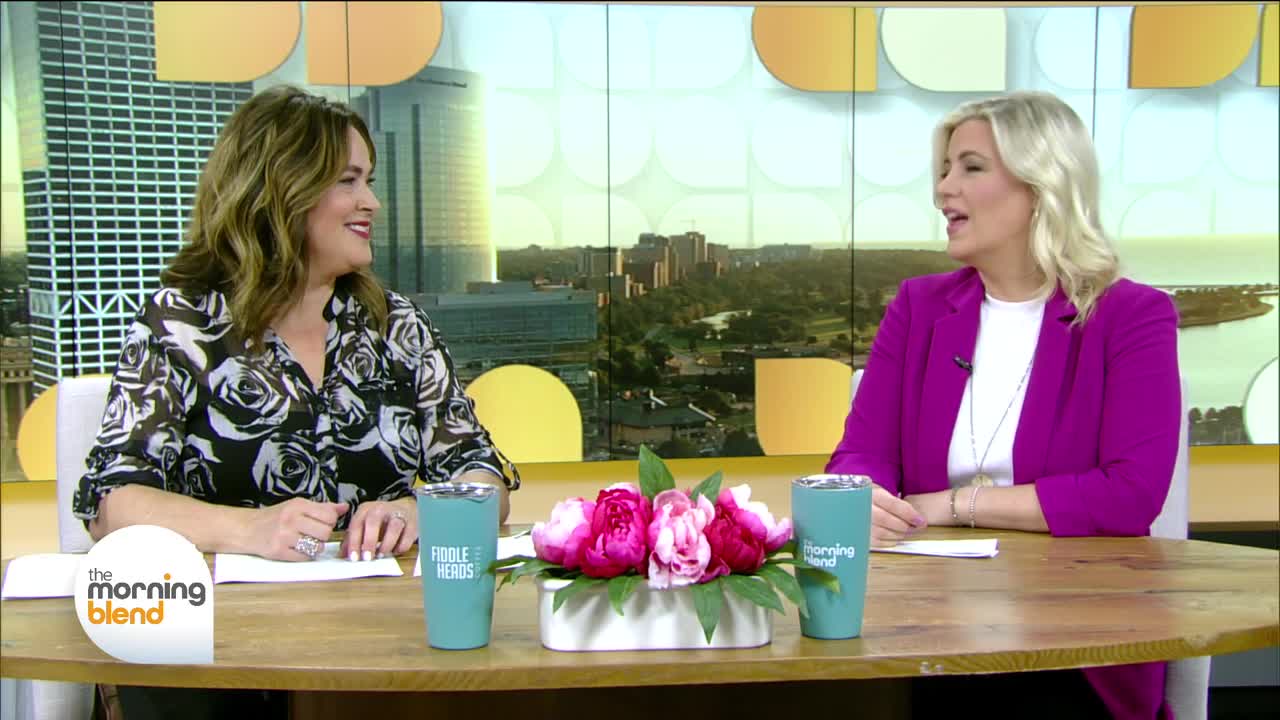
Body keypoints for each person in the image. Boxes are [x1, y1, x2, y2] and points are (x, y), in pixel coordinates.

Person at [72, 85, 519, 719]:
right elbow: (111, 503)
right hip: (216, 651)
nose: (372, 202)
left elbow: (483, 474)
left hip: (379, 651)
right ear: (282, 190)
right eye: (348, 181)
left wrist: (421, 510)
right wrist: (252, 528)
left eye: (368, 181)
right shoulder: (182, 323)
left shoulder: (396, 325)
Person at [826, 91, 1180, 719]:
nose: (943, 189)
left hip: (1074, 633)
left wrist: (953, 505)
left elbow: (1130, 494)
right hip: (922, 622)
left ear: (1041, 187)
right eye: (944, 169)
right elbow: (860, 454)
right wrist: (863, 497)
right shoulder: (919, 307)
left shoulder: (1131, 316)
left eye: (970, 167)